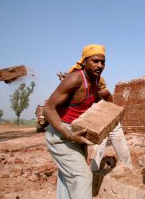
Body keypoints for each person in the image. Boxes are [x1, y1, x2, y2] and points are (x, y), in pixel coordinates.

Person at [44, 44, 106, 199]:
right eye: (95, 61)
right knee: (82, 178)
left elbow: (98, 104)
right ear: (84, 62)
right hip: (61, 135)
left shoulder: (96, 80)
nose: (100, 65)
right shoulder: (75, 78)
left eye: (103, 62)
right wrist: (70, 136)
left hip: (77, 134)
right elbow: (48, 109)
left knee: (68, 180)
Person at [57, 61, 132, 172]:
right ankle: (93, 173)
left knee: (120, 143)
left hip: (106, 115)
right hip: (95, 120)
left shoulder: (95, 80)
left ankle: (128, 168)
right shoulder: (76, 82)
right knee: (99, 145)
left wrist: (90, 92)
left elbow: (106, 95)